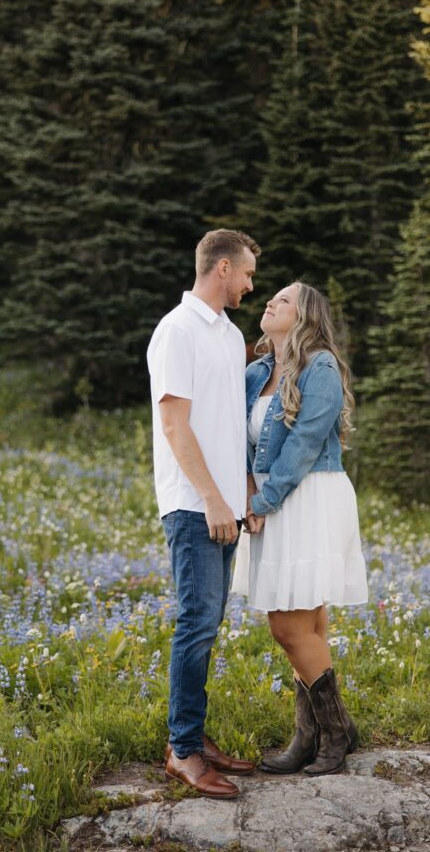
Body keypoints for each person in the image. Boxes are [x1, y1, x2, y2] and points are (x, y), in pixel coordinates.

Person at [231, 281, 368, 775]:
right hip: (271, 499)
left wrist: (264, 499)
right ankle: (311, 735)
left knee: (288, 626)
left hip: (307, 496)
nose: (270, 301)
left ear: (305, 315)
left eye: (283, 300)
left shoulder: (321, 367)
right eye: (271, 298)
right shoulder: (255, 372)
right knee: (307, 625)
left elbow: (307, 441)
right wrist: (249, 493)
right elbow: (237, 440)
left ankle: (334, 731)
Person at [147, 228, 261, 799]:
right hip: (194, 504)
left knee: (208, 624)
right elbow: (174, 424)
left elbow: (228, 421)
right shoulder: (177, 331)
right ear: (221, 267)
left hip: (224, 502)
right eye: (245, 275)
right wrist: (213, 499)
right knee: (195, 623)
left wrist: (241, 491)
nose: (248, 285)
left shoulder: (227, 334)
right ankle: (182, 751)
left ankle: (194, 736)